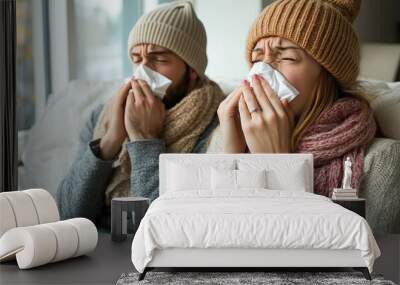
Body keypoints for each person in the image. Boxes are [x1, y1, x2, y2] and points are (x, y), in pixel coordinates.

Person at [57, 1, 225, 226]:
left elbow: (164, 226)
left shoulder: (215, 123)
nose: (143, 71)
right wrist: (109, 142)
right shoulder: (102, 114)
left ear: (193, 70)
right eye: (137, 59)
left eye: (159, 59)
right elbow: (67, 213)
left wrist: (144, 139)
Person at [216, 0, 376, 197]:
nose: (263, 72)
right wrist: (232, 158)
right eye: (257, 60)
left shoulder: (379, 163)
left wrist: (277, 163)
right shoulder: (231, 133)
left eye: (288, 58)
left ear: (328, 75)